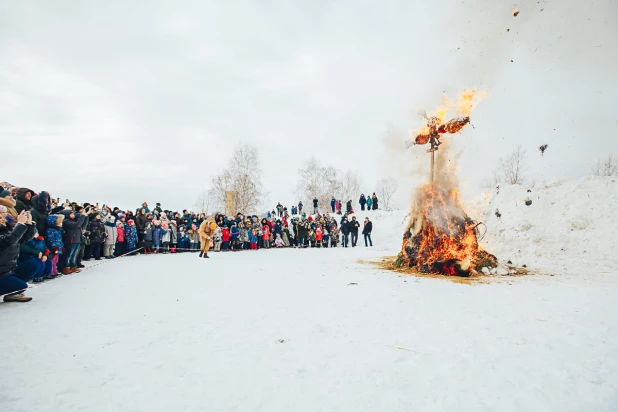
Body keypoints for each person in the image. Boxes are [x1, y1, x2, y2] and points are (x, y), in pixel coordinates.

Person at [0, 209, 37, 302]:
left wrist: (29, 224)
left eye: (4, 215)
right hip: (1, 274)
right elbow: (9, 240)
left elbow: (21, 239)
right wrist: (20, 224)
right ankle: (12, 289)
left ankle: (13, 293)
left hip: (8, 270)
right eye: (0, 216)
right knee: (21, 286)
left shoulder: (5, 231)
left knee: (35, 264)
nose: (3, 218)